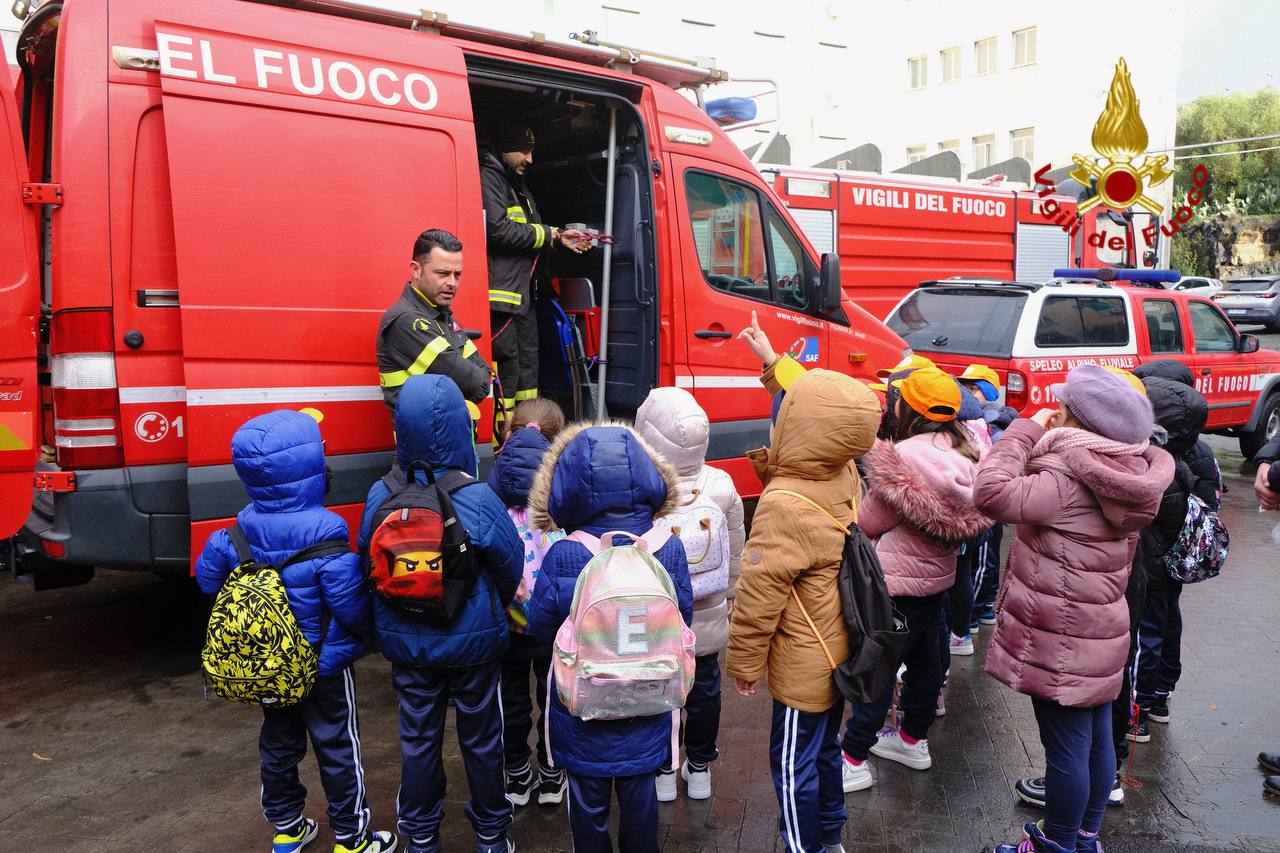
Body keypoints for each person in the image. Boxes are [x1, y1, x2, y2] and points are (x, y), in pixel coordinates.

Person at [975, 365, 1173, 853]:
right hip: (1102, 635)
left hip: (1059, 640)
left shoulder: (1063, 484)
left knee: (1065, 750)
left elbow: (989, 492)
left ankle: (1057, 844)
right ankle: (1085, 837)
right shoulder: (1131, 476)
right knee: (1096, 741)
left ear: (1073, 419)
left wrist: (1023, 429)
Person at [195, 410, 396, 853]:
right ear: (312, 471)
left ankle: (287, 828)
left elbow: (207, 581)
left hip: (270, 667)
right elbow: (352, 609)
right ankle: (352, 837)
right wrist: (358, 642)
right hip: (322, 665)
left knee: (278, 745)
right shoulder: (327, 532)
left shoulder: (235, 533)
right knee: (338, 746)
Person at [359, 374, 524, 853]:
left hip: (408, 646)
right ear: (461, 429)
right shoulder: (474, 496)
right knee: (482, 739)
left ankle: (422, 835)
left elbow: (365, 560)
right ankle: (492, 834)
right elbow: (509, 566)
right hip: (473, 646)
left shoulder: (380, 495)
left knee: (418, 740)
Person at [727, 366, 880, 853]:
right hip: (840, 648)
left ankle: (801, 844)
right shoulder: (844, 472)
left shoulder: (783, 506)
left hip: (803, 661)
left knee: (792, 762)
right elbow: (805, 463)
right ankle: (830, 834)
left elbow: (758, 597)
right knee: (825, 751)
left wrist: (746, 663)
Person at [525, 421, 692, 853]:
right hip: (650, 701)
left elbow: (542, 630)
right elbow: (683, 617)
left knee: (587, 807)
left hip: (584, 710)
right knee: (641, 803)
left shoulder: (567, 552)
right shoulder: (666, 547)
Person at [838, 367, 990, 791]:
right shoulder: (972, 454)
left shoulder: (902, 460)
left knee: (879, 669)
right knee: (928, 663)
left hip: (896, 588)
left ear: (907, 408)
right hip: (939, 581)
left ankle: (852, 757)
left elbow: (868, 522)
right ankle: (911, 739)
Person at [635, 386, 747, 802]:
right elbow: (736, 541)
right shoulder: (721, 484)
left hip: (658, 612)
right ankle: (699, 769)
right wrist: (733, 589)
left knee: (659, 690)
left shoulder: (644, 487)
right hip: (709, 609)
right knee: (705, 687)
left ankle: (664, 769)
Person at [1128, 361, 1222, 737]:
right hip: (1177, 557)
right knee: (1167, 620)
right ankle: (1161, 694)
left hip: (1147, 560)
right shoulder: (1200, 451)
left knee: (1145, 631)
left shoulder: (1152, 458)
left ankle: (1137, 709)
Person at [485, 398, 569, 808]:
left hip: (507, 614)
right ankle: (552, 774)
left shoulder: (491, 480)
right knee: (554, 695)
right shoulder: (562, 479)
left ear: (509, 432)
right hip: (553, 615)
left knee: (511, 696)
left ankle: (517, 775)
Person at [480, 125, 590, 433]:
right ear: (505, 149)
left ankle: (527, 433)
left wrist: (559, 239)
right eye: (524, 151)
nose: (530, 159)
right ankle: (503, 440)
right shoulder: (489, 178)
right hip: (503, 299)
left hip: (524, 296)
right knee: (509, 370)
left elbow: (532, 235)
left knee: (529, 370)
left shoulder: (518, 186)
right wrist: (550, 233)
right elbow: (498, 230)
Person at [377, 229, 491, 417]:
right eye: (443, 273)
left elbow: (484, 375)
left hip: (447, 437)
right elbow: (474, 384)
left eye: (457, 275)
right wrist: (473, 381)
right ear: (416, 270)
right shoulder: (407, 322)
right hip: (425, 442)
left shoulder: (442, 317)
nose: (452, 283)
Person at [957, 364, 1017, 630]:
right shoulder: (973, 422)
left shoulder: (995, 426)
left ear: (990, 392)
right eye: (966, 388)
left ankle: (976, 611)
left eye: (975, 389)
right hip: (984, 505)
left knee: (983, 561)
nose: (969, 394)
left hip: (989, 508)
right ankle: (982, 608)